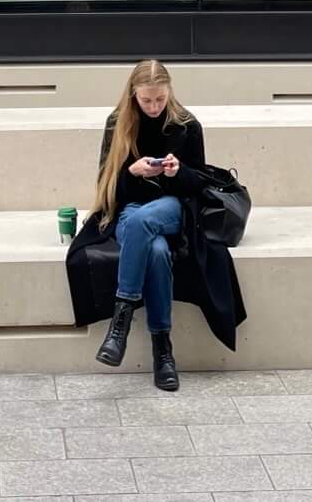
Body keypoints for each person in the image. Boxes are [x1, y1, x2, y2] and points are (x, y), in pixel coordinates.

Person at [64, 59, 245, 391]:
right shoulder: (117, 123)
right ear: (133, 94)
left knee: (147, 221)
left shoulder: (187, 125)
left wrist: (179, 173)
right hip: (130, 211)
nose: (153, 106)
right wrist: (132, 173)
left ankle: (120, 321)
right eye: (146, 100)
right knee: (157, 250)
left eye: (159, 99)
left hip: (174, 209)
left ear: (169, 92)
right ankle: (163, 349)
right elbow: (108, 191)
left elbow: (197, 188)